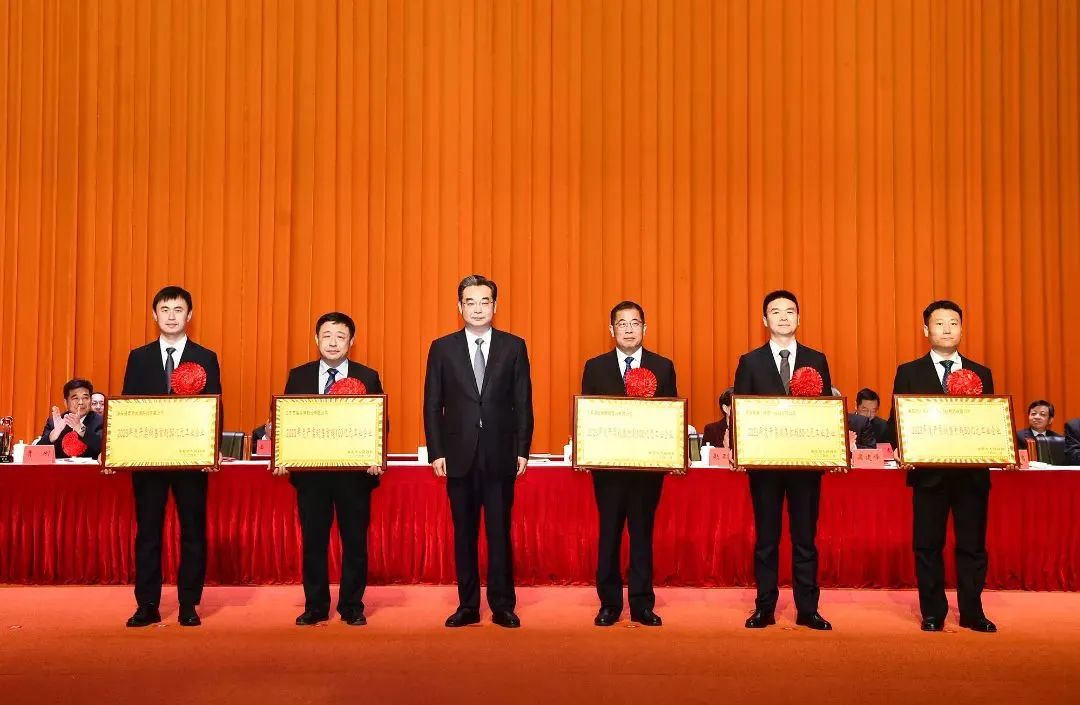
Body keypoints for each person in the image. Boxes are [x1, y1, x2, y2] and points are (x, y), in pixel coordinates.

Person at [423, 275, 533, 628]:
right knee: (464, 534)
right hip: (458, 455)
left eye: (485, 301)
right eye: (470, 302)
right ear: (460, 307)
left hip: (501, 453)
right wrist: (436, 451)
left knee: (499, 533)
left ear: (495, 306)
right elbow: (432, 404)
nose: (477, 308)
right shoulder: (442, 348)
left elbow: (523, 402)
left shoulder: (514, 347)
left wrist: (522, 449)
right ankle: (467, 605)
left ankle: (502, 605)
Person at [886, 300, 1000, 633]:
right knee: (927, 545)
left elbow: (990, 421)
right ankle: (933, 612)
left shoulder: (981, 373)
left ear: (962, 328)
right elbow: (896, 421)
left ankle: (972, 612)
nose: (947, 329)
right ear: (926, 330)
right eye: (939, 323)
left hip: (971, 476)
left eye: (953, 323)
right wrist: (902, 447)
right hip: (928, 475)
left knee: (972, 546)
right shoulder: (909, 372)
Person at [121, 286, 222, 628]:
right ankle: (147, 604)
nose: (171, 316)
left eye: (178, 310)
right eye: (165, 310)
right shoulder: (139, 357)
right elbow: (129, 408)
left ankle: (188, 604)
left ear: (189, 315)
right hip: (149, 461)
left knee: (193, 531)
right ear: (154, 315)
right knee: (148, 532)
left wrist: (210, 449)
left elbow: (214, 407)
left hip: (191, 460)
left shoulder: (205, 357)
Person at [733, 290, 834, 631]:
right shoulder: (750, 362)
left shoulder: (816, 359)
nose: (783, 317)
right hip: (765, 467)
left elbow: (825, 411)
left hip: (806, 467)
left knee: (805, 539)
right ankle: (764, 608)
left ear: (799, 318)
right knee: (766, 540)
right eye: (775, 312)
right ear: (765, 320)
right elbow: (742, 409)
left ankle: (808, 609)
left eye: (789, 311)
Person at [276, 312, 385, 627]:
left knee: (354, 543)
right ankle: (316, 606)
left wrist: (375, 455)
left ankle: (352, 605)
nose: (333, 342)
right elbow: (287, 420)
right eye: (327, 336)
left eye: (340, 336)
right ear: (316, 339)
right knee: (314, 543)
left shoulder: (367, 376)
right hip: (312, 477)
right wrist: (283, 454)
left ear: (352, 341)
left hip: (354, 477)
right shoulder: (299, 376)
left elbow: (380, 421)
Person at [581, 301, 677, 627]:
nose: (629, 329)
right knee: (609, 534)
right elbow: (589, 417)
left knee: (642, 535)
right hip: (608, 471)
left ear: (644, 328)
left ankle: (641, 604)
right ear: (612, 330)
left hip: (647, 471)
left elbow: (670, 415)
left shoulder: (662, 367)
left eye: (635, 323)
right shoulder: (595, 368)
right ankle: (609, 604)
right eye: (622, 324)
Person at [36, 378, 103, 458]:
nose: (81, 402)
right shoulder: (54, 422)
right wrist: (54, 434)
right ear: (66, 402)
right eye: (75, 398)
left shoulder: (101, 421)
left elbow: (104, 448)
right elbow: (37, 454)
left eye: (85, 398)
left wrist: (81, 429)